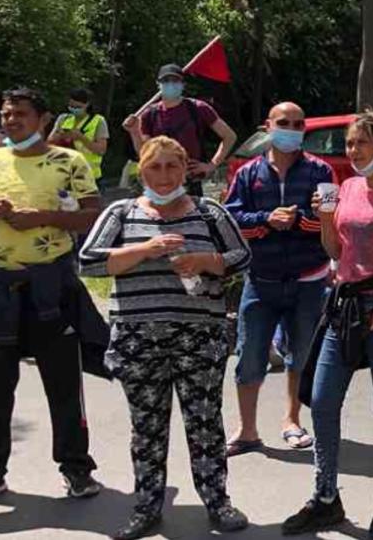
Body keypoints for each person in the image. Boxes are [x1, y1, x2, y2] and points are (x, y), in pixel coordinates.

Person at [79, 136, 251, 539]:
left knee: (205, 423)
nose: (163, 175)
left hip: (199, 336)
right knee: (147, 426)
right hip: (138, 338)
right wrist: (147, 249)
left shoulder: (209, 212)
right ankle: (147, 507)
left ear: (184, 169)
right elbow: (88, 262)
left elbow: (241, 256)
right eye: (154, 167)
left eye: (172, 166)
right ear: (141, 170)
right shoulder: (120, 213)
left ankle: (218, 502)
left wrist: (207, 261)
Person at [281, 115, 373, 538]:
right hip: (345, 303)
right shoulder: (346, 187)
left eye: (361, 143)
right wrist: (325, 218)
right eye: (348, 143)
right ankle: (326, 496)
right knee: (323, 401)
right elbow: (334, 249)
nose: (353, 151)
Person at [0, 87, 105, 501]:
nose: (12, 121)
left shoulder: (67, 161)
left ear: (43, 118)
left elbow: (94, 215)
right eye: (6, 114)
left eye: (20, 114)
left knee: (63, 387)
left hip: (51, 290)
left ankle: (76, 469)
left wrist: (40, 217)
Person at [223, 102, 335, 457]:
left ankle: (291, 419)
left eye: (298, 123)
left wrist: (302, 220)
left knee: (300, 353)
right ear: (268, 125)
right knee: (250, 354)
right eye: (283, 122)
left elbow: (335, 218)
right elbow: (232, 217)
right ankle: (247, 429)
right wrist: (266, 219)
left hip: (309, 278)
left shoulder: (322, 170)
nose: (291, 128)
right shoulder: (247, 173)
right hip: (261, 278)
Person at [122, 63, 237, 196]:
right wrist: (134, 132)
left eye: (175, 80)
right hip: (160, 184)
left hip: (190, 183)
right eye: (165, 81)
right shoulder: (149, 114)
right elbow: (146, 153)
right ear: (158, 84)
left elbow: (229, 136)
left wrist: (211, 165)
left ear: (183, 84)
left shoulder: (198, 108)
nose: (170, 84)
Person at [48, 88, 109, 184]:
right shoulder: (63, 119)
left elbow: (101, 150)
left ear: (87, 104)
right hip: (64, 174)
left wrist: (81, 138)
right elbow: (49, 143)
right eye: (71, 106)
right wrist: (61, 136)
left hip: (89, 175)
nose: (73, 109)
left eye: (77, 107)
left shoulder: (98, 121)